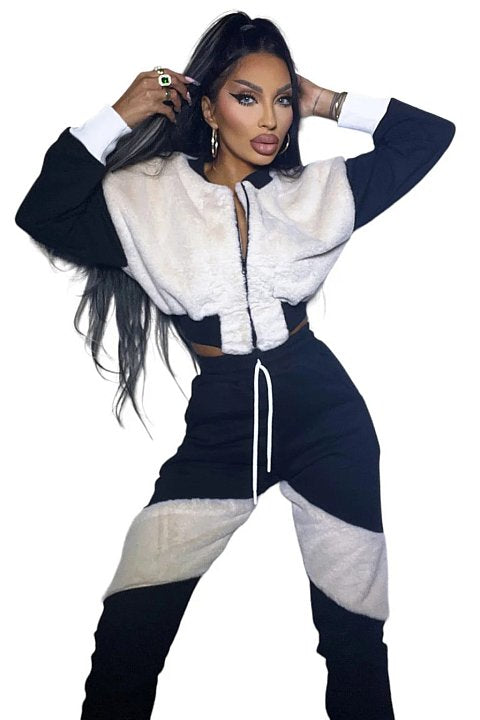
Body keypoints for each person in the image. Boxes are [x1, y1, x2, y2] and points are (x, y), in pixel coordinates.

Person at [14, 10, 455, 720]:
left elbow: (428, 135)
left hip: (328, 421)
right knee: (129, 634)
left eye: (282, 99)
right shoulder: (144, 196)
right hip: (223, 427)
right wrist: (117, 117)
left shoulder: (319, 192)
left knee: (354, 641)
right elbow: (44, 212)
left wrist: (324, 100)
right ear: (209, 107)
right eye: (247, 97)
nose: (270, 118)